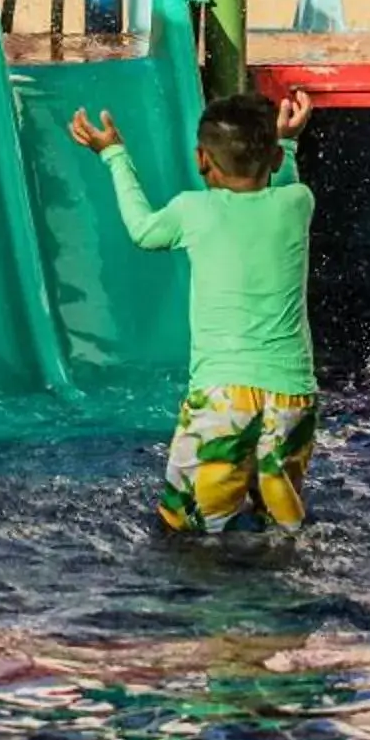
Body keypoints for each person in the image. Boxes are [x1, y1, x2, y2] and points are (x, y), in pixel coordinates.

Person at [70, 84, 317, 534]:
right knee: (280, 528)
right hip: (292, 396)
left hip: (222, 397)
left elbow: (144, 232)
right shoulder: (298, 203)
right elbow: (280, 182)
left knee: (186, 529)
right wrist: (284, 141)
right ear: (277, 161)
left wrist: (114, 155)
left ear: (202, 159)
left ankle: (205, 603)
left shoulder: (190, 210)